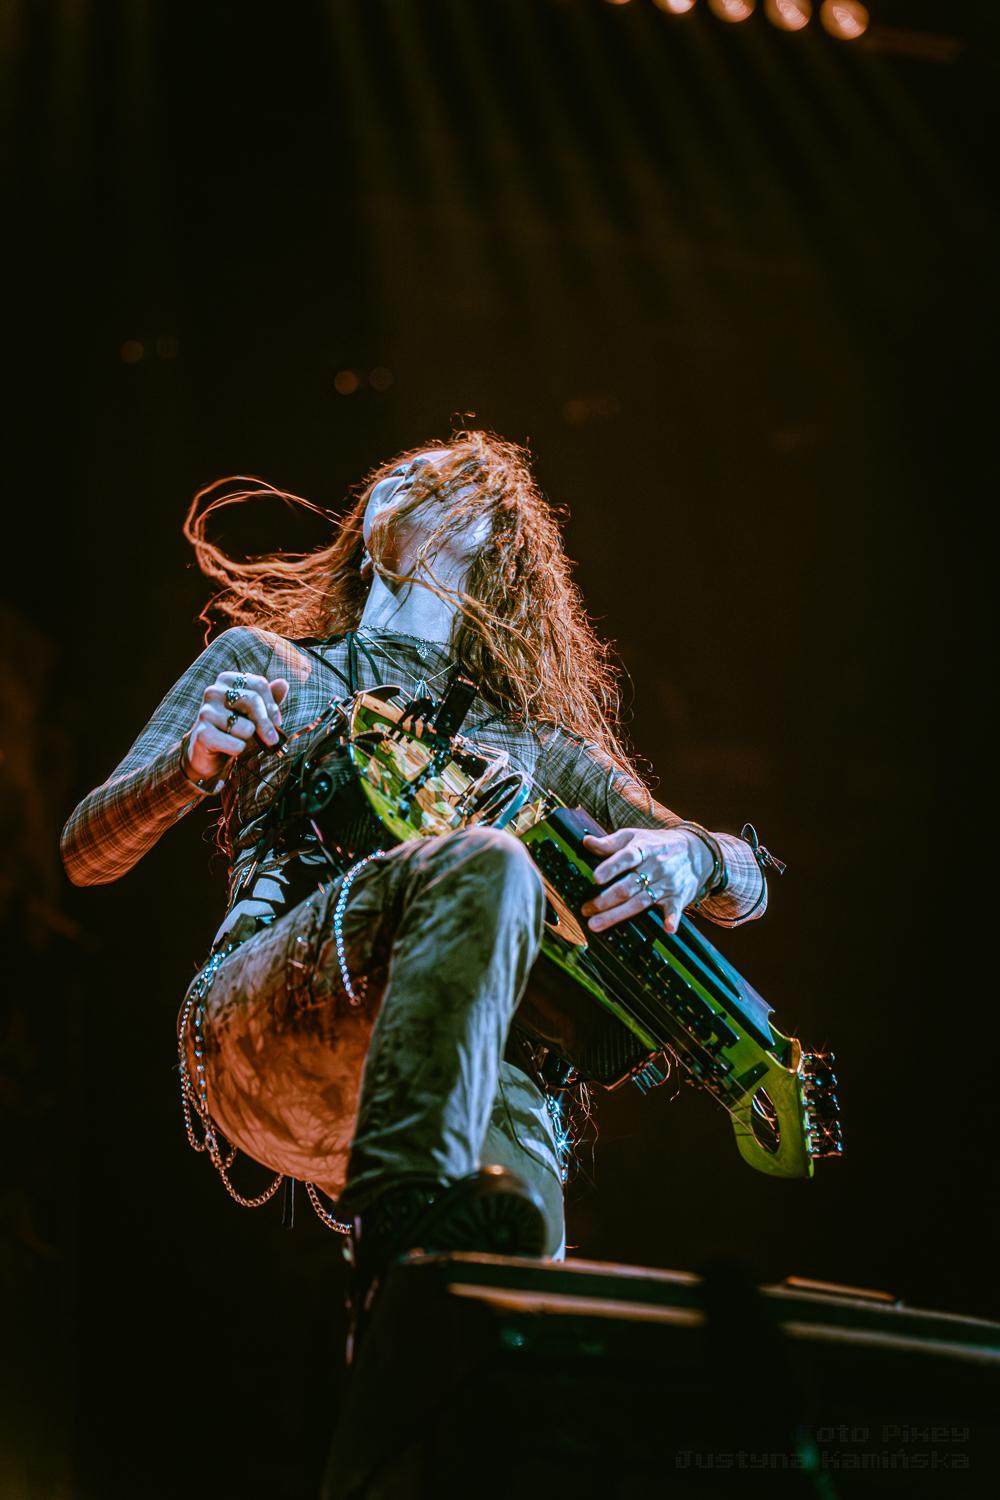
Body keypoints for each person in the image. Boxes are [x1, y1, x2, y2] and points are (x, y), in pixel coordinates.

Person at [60, 428, 771, 1355]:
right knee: (491, 863)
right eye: (394, 475)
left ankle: (411, 1317)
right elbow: (86, 854)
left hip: (484, 1082)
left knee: (510, 1321)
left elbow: (746, 887)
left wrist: (696, 858)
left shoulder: (538, 747)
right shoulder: (270, 665)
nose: (401, 478)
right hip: (275, 1009)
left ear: (496, 543)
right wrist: (187, 768)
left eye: (441, 482)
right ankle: (405, 1236)